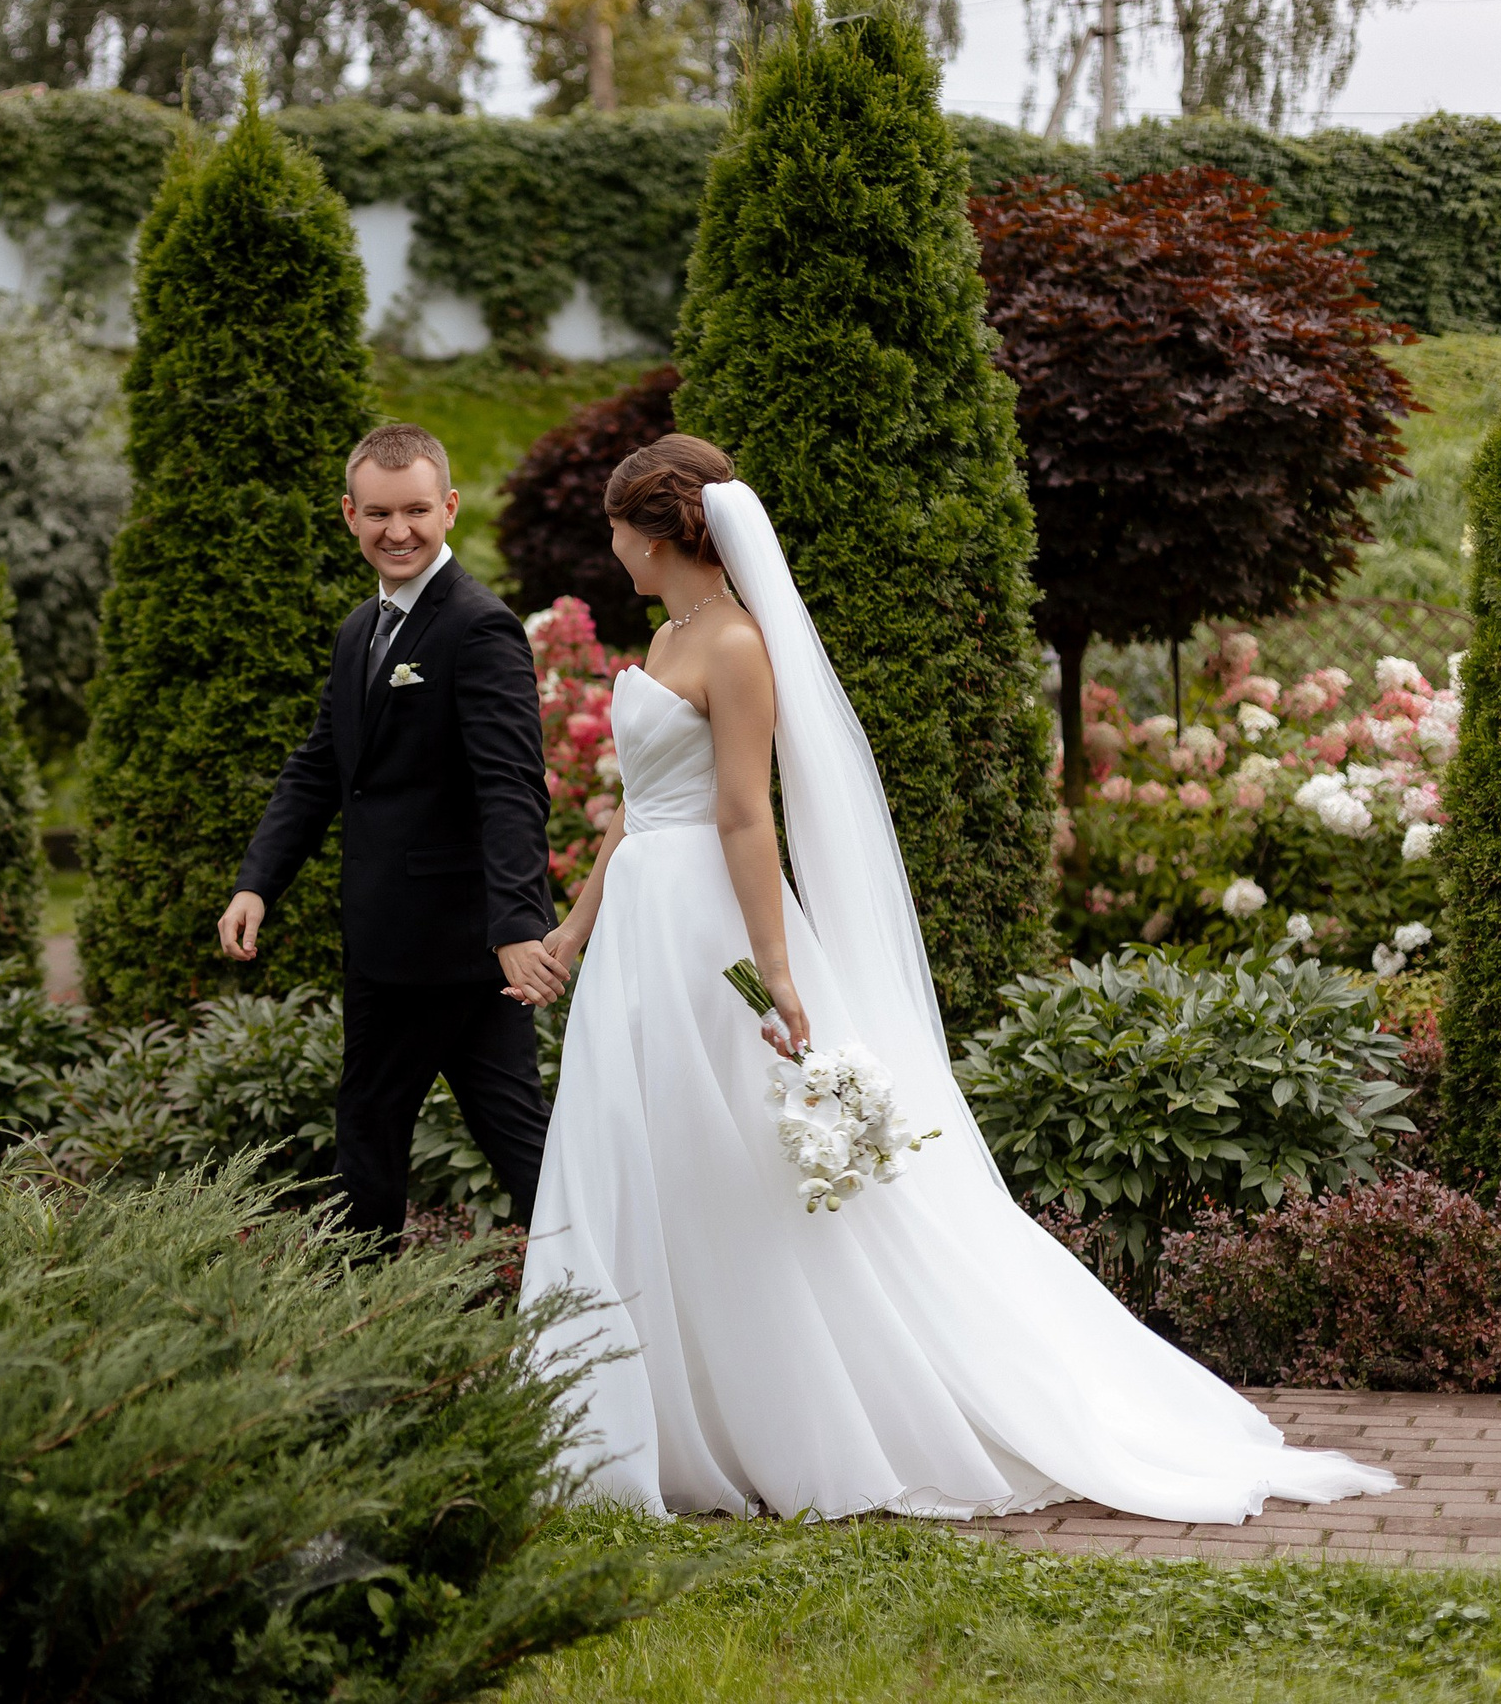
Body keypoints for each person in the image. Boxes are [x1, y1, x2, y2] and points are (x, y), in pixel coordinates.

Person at [517, 433, 1397, 1523]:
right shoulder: (669, 633)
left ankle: (797, 1414)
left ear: (655, 533)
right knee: (643, 1147)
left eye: (616, 531)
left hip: (706, 928)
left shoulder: (736, 646)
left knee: (734, 1159)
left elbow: (745, 814)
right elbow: (638, 810)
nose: (612, 550)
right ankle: (652, 1415)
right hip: (641, 921)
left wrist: (774, 971)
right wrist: (576, 925)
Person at [218, 424, 565, 1247]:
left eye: (416, 509)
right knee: (432, 1131)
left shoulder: (478, 627)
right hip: (386, 941)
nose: (397, 530)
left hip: (458, 946)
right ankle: (374, 1307)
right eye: (378, 513)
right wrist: (257, 881)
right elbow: (319, 766)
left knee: (445, 1130)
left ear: (448, 507)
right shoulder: (358, 630)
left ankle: (607, 1296)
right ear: (349, 514)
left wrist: (518, 924)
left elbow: (511, 785)